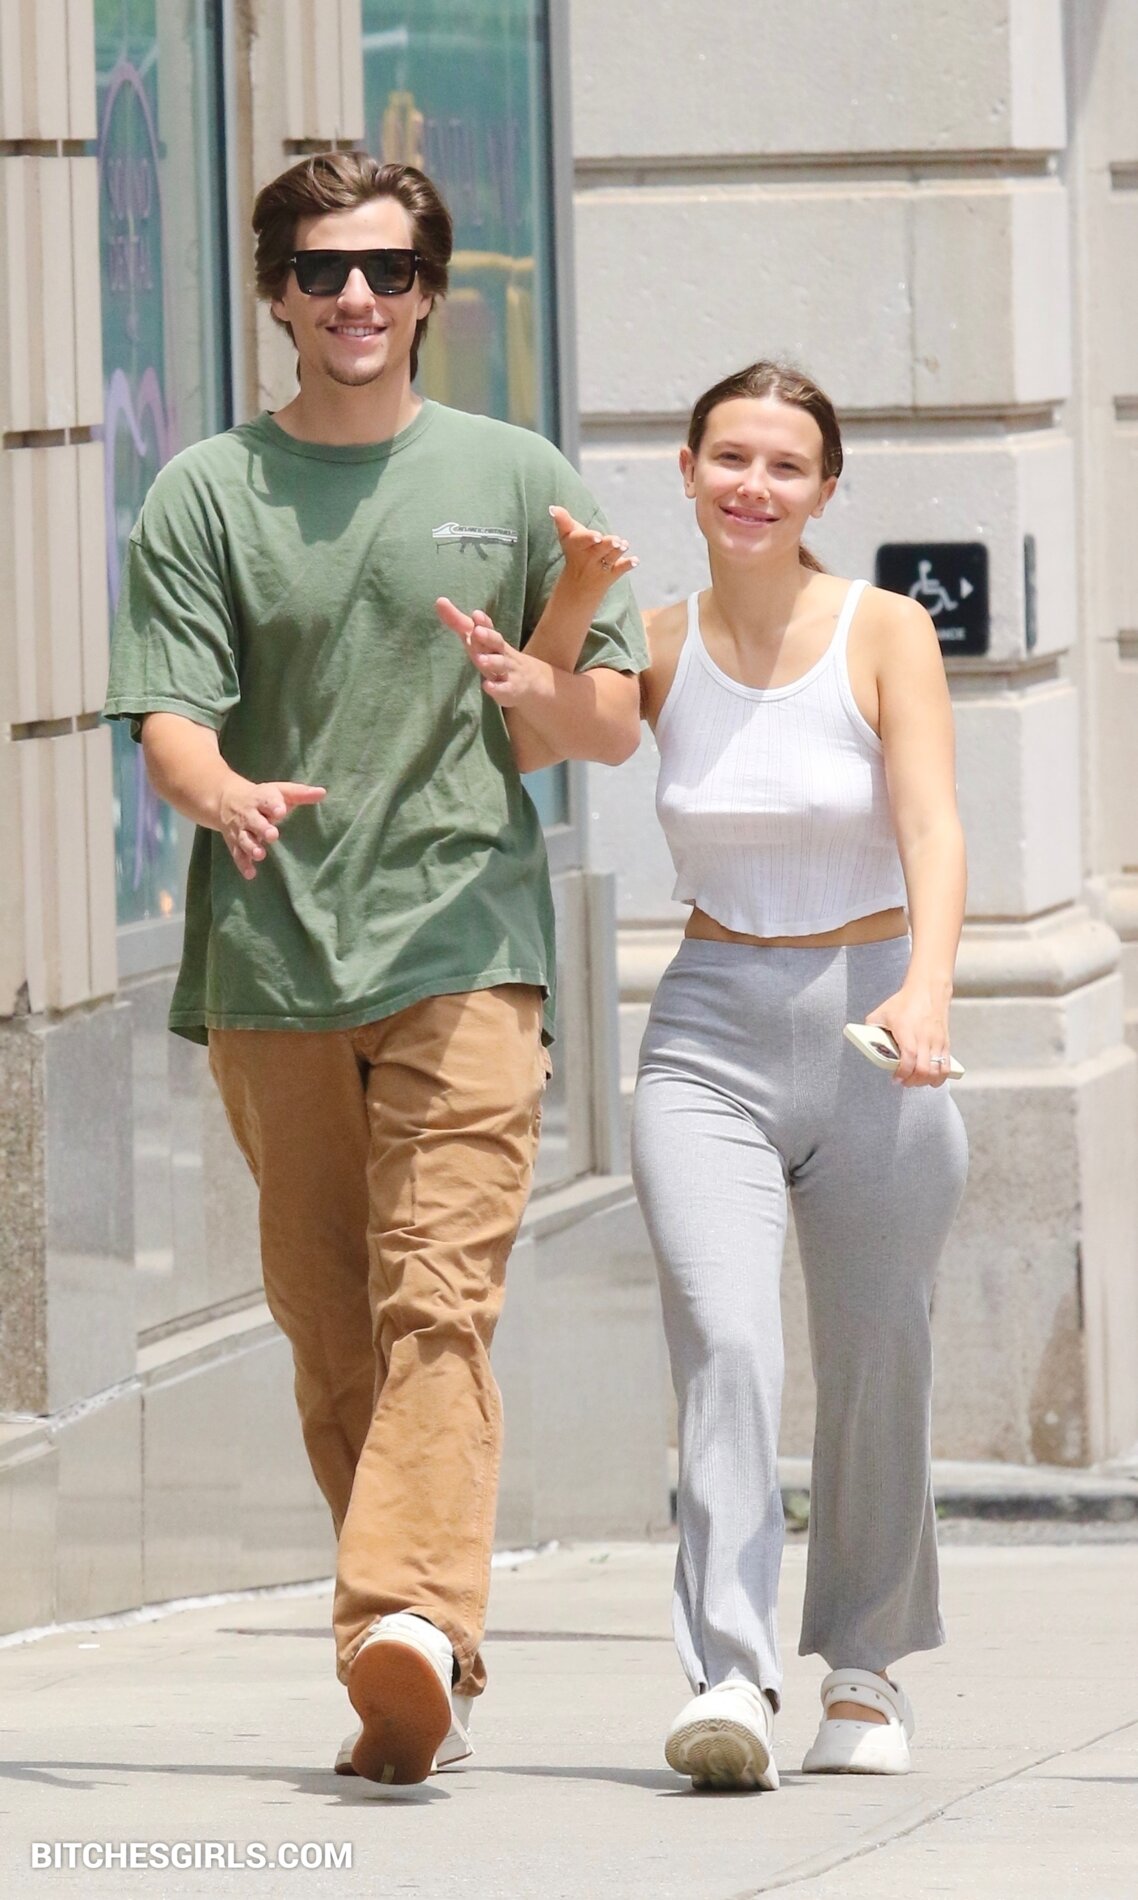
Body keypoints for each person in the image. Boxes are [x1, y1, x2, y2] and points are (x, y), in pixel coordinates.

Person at [103, 150, 645, 1786]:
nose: (357, 296)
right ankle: (421, 1656)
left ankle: (399, 1613)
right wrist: (220, 792)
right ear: (276, 292)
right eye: (325, 270)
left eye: (389, 271)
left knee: (437, 1297)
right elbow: (169, 721)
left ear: (429, 294)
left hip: (465, 940)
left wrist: (541, 664)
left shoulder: (515, 474)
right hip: (273, 958)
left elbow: (596, 731)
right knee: (334, 1331)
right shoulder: (207, 490)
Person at [630, 361, 970, 1790]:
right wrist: (549, 630)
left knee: (877, 1355)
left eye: (784, 465)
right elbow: (546, 733)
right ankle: (728, 1673)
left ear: (824, 489)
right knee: (727, 1339)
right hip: (706, 1025)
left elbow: (932, 826)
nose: (752, 486)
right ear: (688, 470)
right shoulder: (653, 641)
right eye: (729, 458)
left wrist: (926, 988)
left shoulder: (884, 630)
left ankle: (866, 1670)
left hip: (869, 1019)